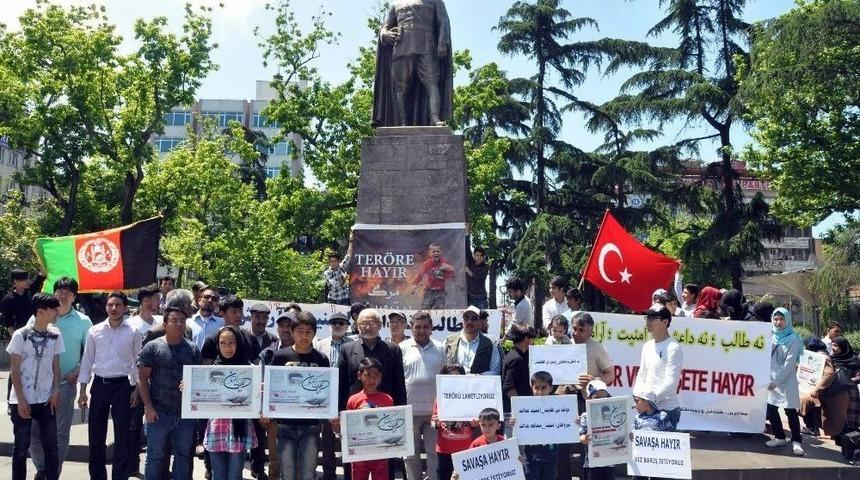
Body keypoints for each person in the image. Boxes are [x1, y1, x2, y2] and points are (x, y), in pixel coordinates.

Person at [28, 277, 92, 477]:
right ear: (54, 293)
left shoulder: (84, 321)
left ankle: (53, 472)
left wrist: (78, 373)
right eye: (60, 291)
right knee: (33, 433)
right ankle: (42, 469)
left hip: (65, 383)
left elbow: (89, 353)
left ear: (74, 296)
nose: (63, 295)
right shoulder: (37, 317)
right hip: (37, 386)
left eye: (68, 292)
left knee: (60, 433)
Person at [77, 291, 140, 480]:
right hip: (100, 386)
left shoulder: (134, 331)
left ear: (125, 307)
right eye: (110, 304)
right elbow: (87, 361)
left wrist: (137, 388)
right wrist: (82, 391)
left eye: (118, 305)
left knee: (123, 437)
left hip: (123, 386)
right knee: (96, 436)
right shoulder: (94, 331)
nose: (114, 308)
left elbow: (138, 361)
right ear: (106, 306)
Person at [137, 304, 204, 480]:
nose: (179, 324)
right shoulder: (152, 347)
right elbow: (142, 378)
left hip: (185, 415)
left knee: (183, 456)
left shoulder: (192, 349)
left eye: (182, 321)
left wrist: (190, 385)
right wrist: (148, 407)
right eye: (174, 320)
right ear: (165, 323)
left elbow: (200, 378)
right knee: (155, 457)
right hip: (158, 413)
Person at [7, 293, 64, 480]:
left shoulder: (56, 335)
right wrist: (21, 399)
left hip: (46, 399)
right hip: (23, 400)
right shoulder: (20, 335)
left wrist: (56, 391)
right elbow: (14, 369)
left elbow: (56, 366)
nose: (57, 312)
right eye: (53, 309)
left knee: (51, 446)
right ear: (40, 312)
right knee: (21, 448)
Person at [268, 312, 331, 480]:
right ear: (292, 331)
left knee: (308, 474)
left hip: (311, 427)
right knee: (287, 474)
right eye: (300, 331)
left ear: (315, 333)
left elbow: (327, 392)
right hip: (285, 425)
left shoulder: (322, 359)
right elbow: (271, 388)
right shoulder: (281, 356)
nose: (304, 336)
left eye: (309, 332)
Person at [204, 326, 258, 480]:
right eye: (223, 343)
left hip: (238, 431)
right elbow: (200, 396)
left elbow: (255, 397)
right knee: (218, 475)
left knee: (235, 475)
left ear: (239, 343)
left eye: (231, 342)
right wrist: (188, 388)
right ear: (217, 346)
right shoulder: (210, 371)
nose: (227, 347)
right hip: (217, 429)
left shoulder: (250, 370)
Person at [400, 312, 445, 480]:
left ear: (431, 328)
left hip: (434, 413)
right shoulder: (402, 348)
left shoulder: (440, 348)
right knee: (410, 455)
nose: (421, 330)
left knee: (434, 453)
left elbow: (446, 378)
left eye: (425, 327)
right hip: (409, 411)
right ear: (411, 328)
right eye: (417, 327)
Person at [338, 309, 407, 409]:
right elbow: (341, 384)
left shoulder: (393, 350)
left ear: (379, 326)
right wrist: (339, 412)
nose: (368, 327)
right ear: (357, 326)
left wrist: (402, 412)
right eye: (363, 323)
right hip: (355, 410)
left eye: (372, 323)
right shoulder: (347, 349)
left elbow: (399, 385)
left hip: (386, 410)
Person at [313, 311, 353, 480]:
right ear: (329, 325)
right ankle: (329, 473)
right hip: (325, 396)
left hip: (347, 395)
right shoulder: (320, 345)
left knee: (348, 435)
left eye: (341, 323)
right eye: (334, 322)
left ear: (347, 326)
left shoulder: (353, 345)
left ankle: (349, 473)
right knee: (328, 438)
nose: (337, 325)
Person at [632, 307, 683, 431]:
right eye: (647, 318)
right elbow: (641, 374)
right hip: (645, 408)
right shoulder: (647, 346)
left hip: (666, 410)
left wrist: (649, 401)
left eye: (653, 318)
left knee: (663, 451)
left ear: (665, 322)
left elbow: (671, 383)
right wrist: (638, 397)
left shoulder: (673, 348)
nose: (648, 322)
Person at [343, 357, 394, 480]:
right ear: (359, 375)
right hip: (360, 453)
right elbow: (348, 427)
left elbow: (392, 426)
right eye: (368, 375)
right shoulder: (353, 400)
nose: (372, 379)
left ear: (380, 377)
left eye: (375, 375)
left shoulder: (387, 399)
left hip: (381, 453)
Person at [765, 307, 804, 456]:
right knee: (772, 409)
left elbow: (789, 364)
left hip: (786, 381)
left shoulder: (794, 339)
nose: (778, 322)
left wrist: (777, 381)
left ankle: (796, 441)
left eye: (781, 319)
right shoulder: (770, 336)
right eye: (775, 319)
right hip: (770, 379)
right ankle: (780, 437)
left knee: (790, 411)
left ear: (787, 320)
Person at [516, 371, 558, 480]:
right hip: (531, 457)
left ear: (551, 388)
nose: (540, 391)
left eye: (544, 388)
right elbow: (519, 429)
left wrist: (573, 421)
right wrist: (514, 422)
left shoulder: (559, 406)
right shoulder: (523, 407)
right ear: (532, 388)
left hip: (551, 456)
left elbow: (566, 427)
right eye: (537, 388)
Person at [798, 338, 841, 438]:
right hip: (812, 389)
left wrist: (817, 390)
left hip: (819, 391)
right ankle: (812, 427)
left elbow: (829, 374)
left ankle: (812, 428)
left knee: (805, 404)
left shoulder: (822, 357)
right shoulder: (818, 355)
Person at [201, 296, 260, 365]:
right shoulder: (211, 339)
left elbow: (257, 366)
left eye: (240, 311)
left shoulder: (251, 338)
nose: (239, 315)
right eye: (234, 312)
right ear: (222, 313)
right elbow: (205, 369)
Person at [443, 306, 501, 375]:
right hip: (454, 385)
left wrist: (476, 377)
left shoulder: (491, 343)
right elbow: (442, 368)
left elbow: (495, 371)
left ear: (480, 322)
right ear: (462, 321)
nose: (469, 322)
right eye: (466, 318)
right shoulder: (449, 341)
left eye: (474, 319)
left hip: (480, 384)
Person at [577, 380, 614, 480]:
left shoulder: (614, 415)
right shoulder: (585, 416)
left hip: (610, 462)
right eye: (596, 397)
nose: (600, 400)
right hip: (591, 464)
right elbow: (581, 436)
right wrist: (584, 438)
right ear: (589, 398)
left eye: (603, 397)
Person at [501, 324, 535, 422]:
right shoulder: (516, 359)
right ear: (526, 339)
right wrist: (520, 409)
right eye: (532, 339)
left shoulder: (519, 355)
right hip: (514, 413)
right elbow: (509, 388)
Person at [1, 268, 45, 340]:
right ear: (15, 281)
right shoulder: (8, 300)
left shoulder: (30, 290)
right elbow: (9, 324)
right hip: (22, 335)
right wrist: (17, 339)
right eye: (24, 279)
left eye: (27, 278)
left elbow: (41, 277)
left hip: (38, 331)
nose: (28, 281)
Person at [411, 243, 455, 309]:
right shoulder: (427, 264)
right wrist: (414, 285)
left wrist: (451, 270)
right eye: (434, 251)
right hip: (429, 291)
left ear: (441, 252)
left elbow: (452, 277)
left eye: (438, 251)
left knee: (439, 311)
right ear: (430, 253)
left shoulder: (445, 263)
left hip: (441, 292)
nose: (436, 253)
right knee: (425, 309)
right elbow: (419, 275)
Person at [830, 336, 860, 432]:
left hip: (850, 392)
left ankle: (850, 440)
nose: (833, 348)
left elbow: (859, 377)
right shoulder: (831, 359)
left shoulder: (854, 360)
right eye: (832, 345)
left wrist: (846, 381)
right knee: (837, 417)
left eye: (836, 346)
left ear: (843, 347)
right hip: (835, 391)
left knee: (849, 422)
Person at [323, 237, 353, 306]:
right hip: (333, 300)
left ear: (338, 261)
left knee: (345, 316)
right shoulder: (327, 273)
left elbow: (348, 255)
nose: (333, 263)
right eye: (331, 261)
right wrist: (344, 279)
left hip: (344, 299)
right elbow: (335, 285)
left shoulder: (341, 267)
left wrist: (351, 241)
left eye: (335, 261)